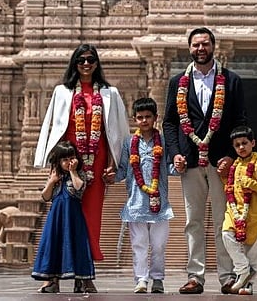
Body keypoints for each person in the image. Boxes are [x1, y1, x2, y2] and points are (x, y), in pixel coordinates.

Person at [34, 44, 130, 293]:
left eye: (90, 60)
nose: (86, 64)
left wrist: (114, 165)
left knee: (90, 220)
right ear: (74, 63)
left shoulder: (110, 93)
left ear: (97, 63)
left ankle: (84, 275)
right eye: (81, 60)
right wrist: (53, 166)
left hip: (96, 165)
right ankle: (52, 274)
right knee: (61, 215)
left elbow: (116, 133)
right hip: (68, 162)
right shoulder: (62, 92)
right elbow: (54, 129)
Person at [163, 27, 248, 294]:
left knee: (225, 220)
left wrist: (232, 156)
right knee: (193, 220)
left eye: (205, 44)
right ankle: (195, 276)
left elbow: (240, 121)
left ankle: (227, 276)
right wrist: (175, 153)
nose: (201, 49)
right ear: (189, 48)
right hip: (188, 161)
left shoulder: (231, 81)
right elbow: (169, 122)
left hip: (221, 161)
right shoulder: (178, 82)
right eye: (196, 45)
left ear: (213, 47)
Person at [115, 97, 177, 294]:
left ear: (155, 118)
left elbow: (169, 166)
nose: (144, 121)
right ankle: (141, 279)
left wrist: (180, 166)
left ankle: (157, 278)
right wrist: (109, 176)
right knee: (138, 245)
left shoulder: (164, 141)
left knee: (159, 246)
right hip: (136, 203)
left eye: (148, 117)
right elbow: (124, 169)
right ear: (134, 119)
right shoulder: (129, 143)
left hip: (160, 203)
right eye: (140, 117)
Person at [31, 141, 95, 293]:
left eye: (71, 158)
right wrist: (52, 181)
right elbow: (45, 197)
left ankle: (80, 280)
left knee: (76, 245)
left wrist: (73, 171)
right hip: (56, 217)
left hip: (73, 217)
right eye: (64, 160)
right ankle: (52, 281)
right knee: (54, 245)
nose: (68, 162)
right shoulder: (55, 176)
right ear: (58, 161)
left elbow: (79, 187)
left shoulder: (79, 174)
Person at [221, 126, 257, 295]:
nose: (241, 147)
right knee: (226, 234)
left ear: (253, 143)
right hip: (234, 212)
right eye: (237, 145)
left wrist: (250, 183)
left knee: (253, 253)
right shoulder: (234, 165)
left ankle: (248, 285)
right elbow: (230, 187)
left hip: (254, 214)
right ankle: (242, 268)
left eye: (244, 143)